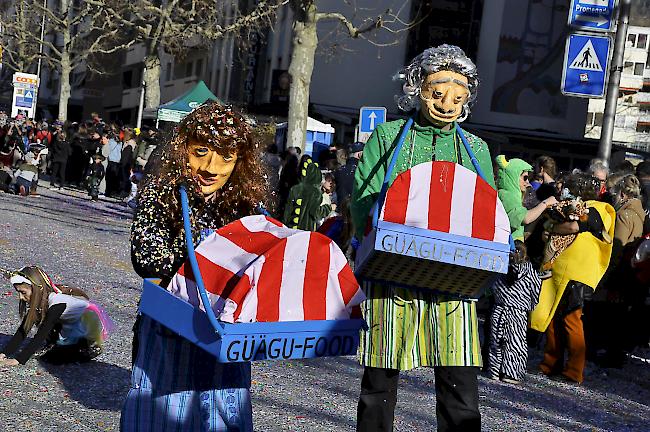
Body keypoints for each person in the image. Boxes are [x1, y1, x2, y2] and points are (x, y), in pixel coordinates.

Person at [353, 45, 493, 432]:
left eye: (458, 97)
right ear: (417, 89)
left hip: (455, 282)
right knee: (379, 382)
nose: (448, 105)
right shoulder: (389, 136)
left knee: (459, 384)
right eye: (437, 94)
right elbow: (363, 198)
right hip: (391, 275)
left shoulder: (476, 148)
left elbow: (489, 210)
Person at [121, 102, 267, 431]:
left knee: (219, 418)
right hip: (170, 329)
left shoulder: (247, 206)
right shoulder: (161, 192)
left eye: (226, 156)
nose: (211, 167)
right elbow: (148, 259)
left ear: (240, 161)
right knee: (161, 415)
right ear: (183, 146)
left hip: (222, 338)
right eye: (201, 151)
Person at [532, 173, 615, 384]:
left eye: (568, 188)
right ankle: (551, 363)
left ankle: (574, 370)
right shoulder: (578, 206)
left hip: (576, 273)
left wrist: (551, 229)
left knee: (571, 318)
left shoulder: (599, 209)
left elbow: (576, 227)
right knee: (554, 317)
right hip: (561, 271)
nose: (564, 192)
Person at [0, 266, 112, 366]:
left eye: (23, 292)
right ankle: (61, 344)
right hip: (69, 323)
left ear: (38, 289)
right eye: (18, 292)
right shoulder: (41, 302)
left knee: (55, 359)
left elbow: (42, 333)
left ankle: (89, 346)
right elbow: (23, 330)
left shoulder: (57, 304)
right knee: (51, 353)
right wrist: (4, 353)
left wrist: (19, 360)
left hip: (86, 324)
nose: (20, 297)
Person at [488, 241, 542, 384]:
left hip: (499, 309)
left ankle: (494, 371)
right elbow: (535, 292)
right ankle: (511, 374)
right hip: (518, 312)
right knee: (515, 343)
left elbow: (491, 286)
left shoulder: (500, 267)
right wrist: (531, 306)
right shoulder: (531, 272)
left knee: (497, 341)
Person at [495, 155, 557, 242]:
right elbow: (525, 218)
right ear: (514, 176)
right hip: (508, 244)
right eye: (525, 178)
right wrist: (545, 203)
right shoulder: (507, 195)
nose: (527, 182)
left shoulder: (513, 194)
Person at [282, 157, 332, 230]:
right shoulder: (315, 192)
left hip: (291, 228)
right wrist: (328, 208)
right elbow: (315, 213)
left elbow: (287, 212)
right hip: (306, 231)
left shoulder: (295, 188)